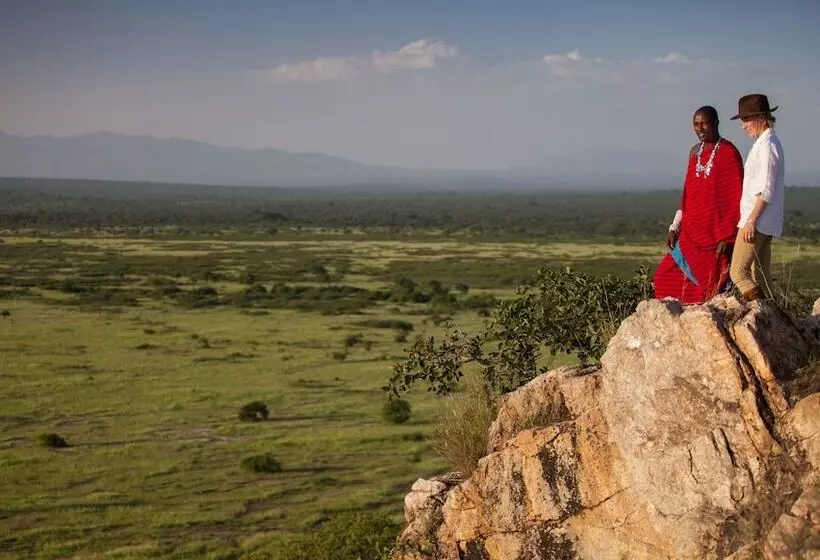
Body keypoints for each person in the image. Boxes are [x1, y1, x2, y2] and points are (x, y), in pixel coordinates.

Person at [653, 106, 744, 304]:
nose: (700, 128)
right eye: (696, 124)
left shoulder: (729, 153)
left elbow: (735, 199)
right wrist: (674, 227)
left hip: (715, 237)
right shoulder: (694, 153)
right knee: (663, 279)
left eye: (704, 123)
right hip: (689, 235)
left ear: (716, 123)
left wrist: (728, 237)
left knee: (709, 287)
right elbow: (687, 196)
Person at [729, 93, 785, 301]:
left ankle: (765, 318)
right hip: (762, 220)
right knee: (760, 277)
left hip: (757, 221)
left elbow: (766, 188)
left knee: (738, 273)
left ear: (762, 117)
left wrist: (751, 220)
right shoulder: (765, 143)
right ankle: (778, 323)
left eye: (746, 119)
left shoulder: (768, 145)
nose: (743, 125)